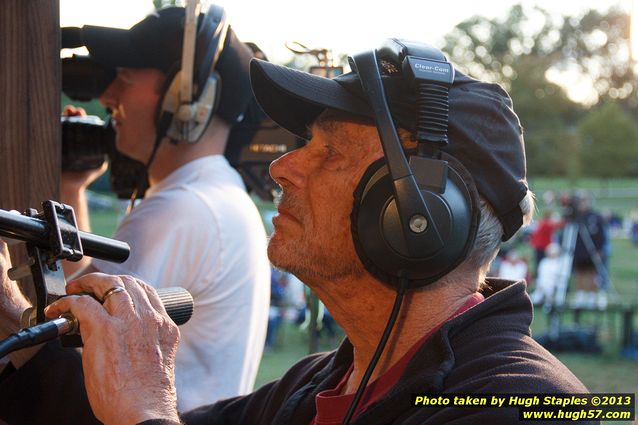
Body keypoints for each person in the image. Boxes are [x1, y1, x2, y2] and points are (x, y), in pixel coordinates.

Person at [0, 39, 594, 424]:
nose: (284, 167)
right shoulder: (317, 384)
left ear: (419, 214)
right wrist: (6, 306)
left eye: (329, 152)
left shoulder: (528, 405)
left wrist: (147, 412)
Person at [58, 6, 270, 411]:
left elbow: (62, 334)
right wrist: (71, 188)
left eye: (124, 79)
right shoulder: (217, 194)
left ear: (186, 99)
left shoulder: (178, 210)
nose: (108, 96)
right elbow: (82, 289)